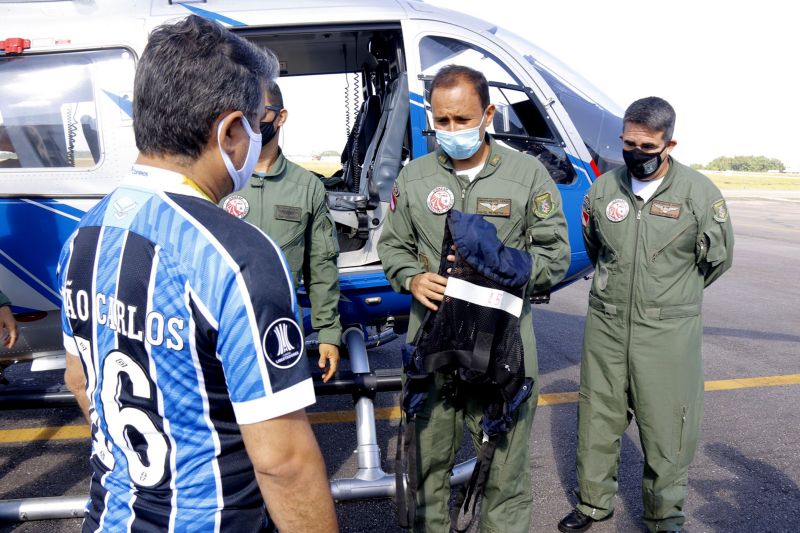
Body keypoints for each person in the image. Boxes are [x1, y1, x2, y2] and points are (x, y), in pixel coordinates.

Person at [58, 15, 338, 533]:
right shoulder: (238, 255)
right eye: (255, 124)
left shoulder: (83, 236)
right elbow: (283, 461)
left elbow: (81, 381)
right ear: (231, 131)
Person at [378, 64, 570, 532]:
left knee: (503, 475)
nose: (450, 131)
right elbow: (393, 245)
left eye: (461, 120)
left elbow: (556, 254)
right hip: (434, 346)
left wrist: (505, 271)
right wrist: (411, 278)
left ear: (488, 113)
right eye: (441, 121)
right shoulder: (416, 178)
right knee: (426, 472)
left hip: (500, 350)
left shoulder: (527, 176)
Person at [558, 97, 734, 533]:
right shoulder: (603, 190)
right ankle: (593, 504)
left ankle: (664, 515)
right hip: (607, 323)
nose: (635, 154)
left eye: (646, 146)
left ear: (668, 143)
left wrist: (671, 297)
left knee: (666, 426)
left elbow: (716, 260)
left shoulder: (699, 195)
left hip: (668, 329)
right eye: (628, 144)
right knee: (598, 417)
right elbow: (596, 247)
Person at [220, 81, 341, 383]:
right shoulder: (221, 181)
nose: (250, 123)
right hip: (223, 331)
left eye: (258, 113)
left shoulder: (307, 187)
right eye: (243, 115)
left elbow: (321, 267)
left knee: (286, 425)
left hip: (282, 334)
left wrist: (328, 333)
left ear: (281, 116)